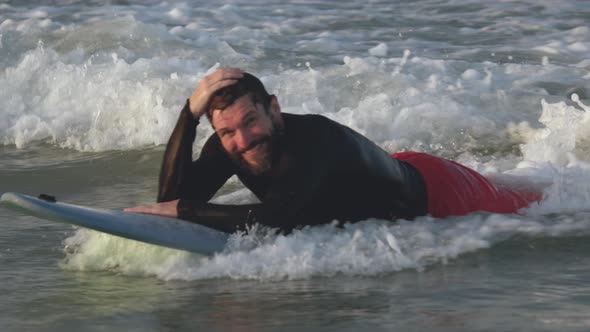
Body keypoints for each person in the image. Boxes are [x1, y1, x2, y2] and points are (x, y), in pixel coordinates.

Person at [125, 68, 541, 234]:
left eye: (250, 122)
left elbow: (275, 219)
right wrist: (188, 115)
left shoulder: (316, 142)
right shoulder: (228, 143)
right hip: (384, 173)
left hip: (439, 195)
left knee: (541, 207)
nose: (243, 140)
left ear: (274, 109)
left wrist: (186, 212)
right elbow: (171, 199)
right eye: (227, 130)